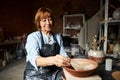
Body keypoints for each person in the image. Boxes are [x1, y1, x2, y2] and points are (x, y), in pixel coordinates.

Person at [23, 7, 71, 80]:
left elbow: (63, 54)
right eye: (44, 20)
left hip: (53, 72)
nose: (48, 23)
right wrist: (54, 60)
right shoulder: (33, 37)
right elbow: (35, 59)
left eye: (50, 19)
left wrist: (67, 59)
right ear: (39, 23)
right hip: (35, 74)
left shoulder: (57, 37)